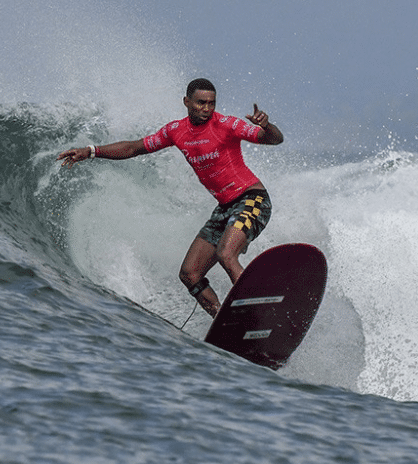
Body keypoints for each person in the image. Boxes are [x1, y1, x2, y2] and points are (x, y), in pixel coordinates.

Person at [57, 78, 284, 317]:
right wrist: (92, 151)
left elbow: (274, 139)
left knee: (226, 254)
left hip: (252, 199)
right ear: (186, 102)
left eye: (211, 103)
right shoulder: (176, 131)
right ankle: (223, 320)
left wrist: (267, 126)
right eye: (200, 103)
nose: (207, 108)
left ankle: (257, 313)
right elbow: (134, 148)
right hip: (225, 207)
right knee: (190, 274)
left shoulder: (227, 125)